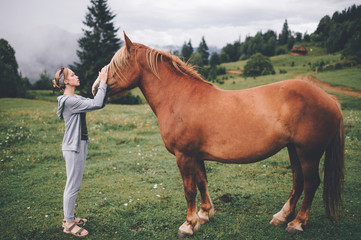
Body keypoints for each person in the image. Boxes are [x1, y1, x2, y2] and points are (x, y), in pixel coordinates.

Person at [53, 66, 108, 237]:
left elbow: (99, 102)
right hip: (73, 147)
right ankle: (68, 224)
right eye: (72, 75)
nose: (76, 76)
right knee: (73, 185)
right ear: (66, 81)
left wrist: (100, 83)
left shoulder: (75, 98)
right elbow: (97, 103)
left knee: (74, 184)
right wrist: (103, 82)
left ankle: (69, 218)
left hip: (79, 144)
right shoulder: (69, 101)